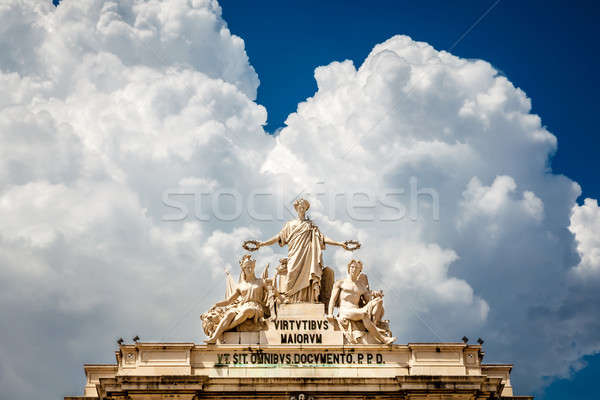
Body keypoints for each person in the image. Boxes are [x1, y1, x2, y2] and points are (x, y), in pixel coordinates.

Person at [255, 198, 356, 303]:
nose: (302, 208)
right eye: (300, 206)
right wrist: (263, 243)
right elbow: (278, 237)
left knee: (308, 277)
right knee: (291, 273)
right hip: (294, 254)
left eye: (304, 207)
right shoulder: (290, 225)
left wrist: (339, 243)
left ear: (306, 209)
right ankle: (290, 298)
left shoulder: (310, 225)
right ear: (296, 208)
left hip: (307, 255)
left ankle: (307, 300)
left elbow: (322, 238)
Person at [204, 255, 269, 344]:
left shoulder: (261, 282)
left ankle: (222, 330)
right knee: (230, 314)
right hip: (242, 307)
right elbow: (228, 301)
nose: (249, 269)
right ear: (243, 269)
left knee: (247, 311)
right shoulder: (240, 286)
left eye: (251, 267)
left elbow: (271, 293)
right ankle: (214, 337)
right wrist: (216, 304)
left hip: (256, 307)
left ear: (253, 268)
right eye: (247, 267)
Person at [327, 259, 395, 345]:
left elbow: (369, 301)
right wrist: (330, 313)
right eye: (352, 267)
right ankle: (382, 338)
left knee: (379, 301)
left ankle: (374, 325)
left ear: (360, 271)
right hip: (345, 311)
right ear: (348, 268)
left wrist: (376, 295)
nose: (354, 269)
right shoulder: (340, 283)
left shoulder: (361, 286)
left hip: (357, 310)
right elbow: (332, 299)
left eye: (357, 268)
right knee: (364, 314)